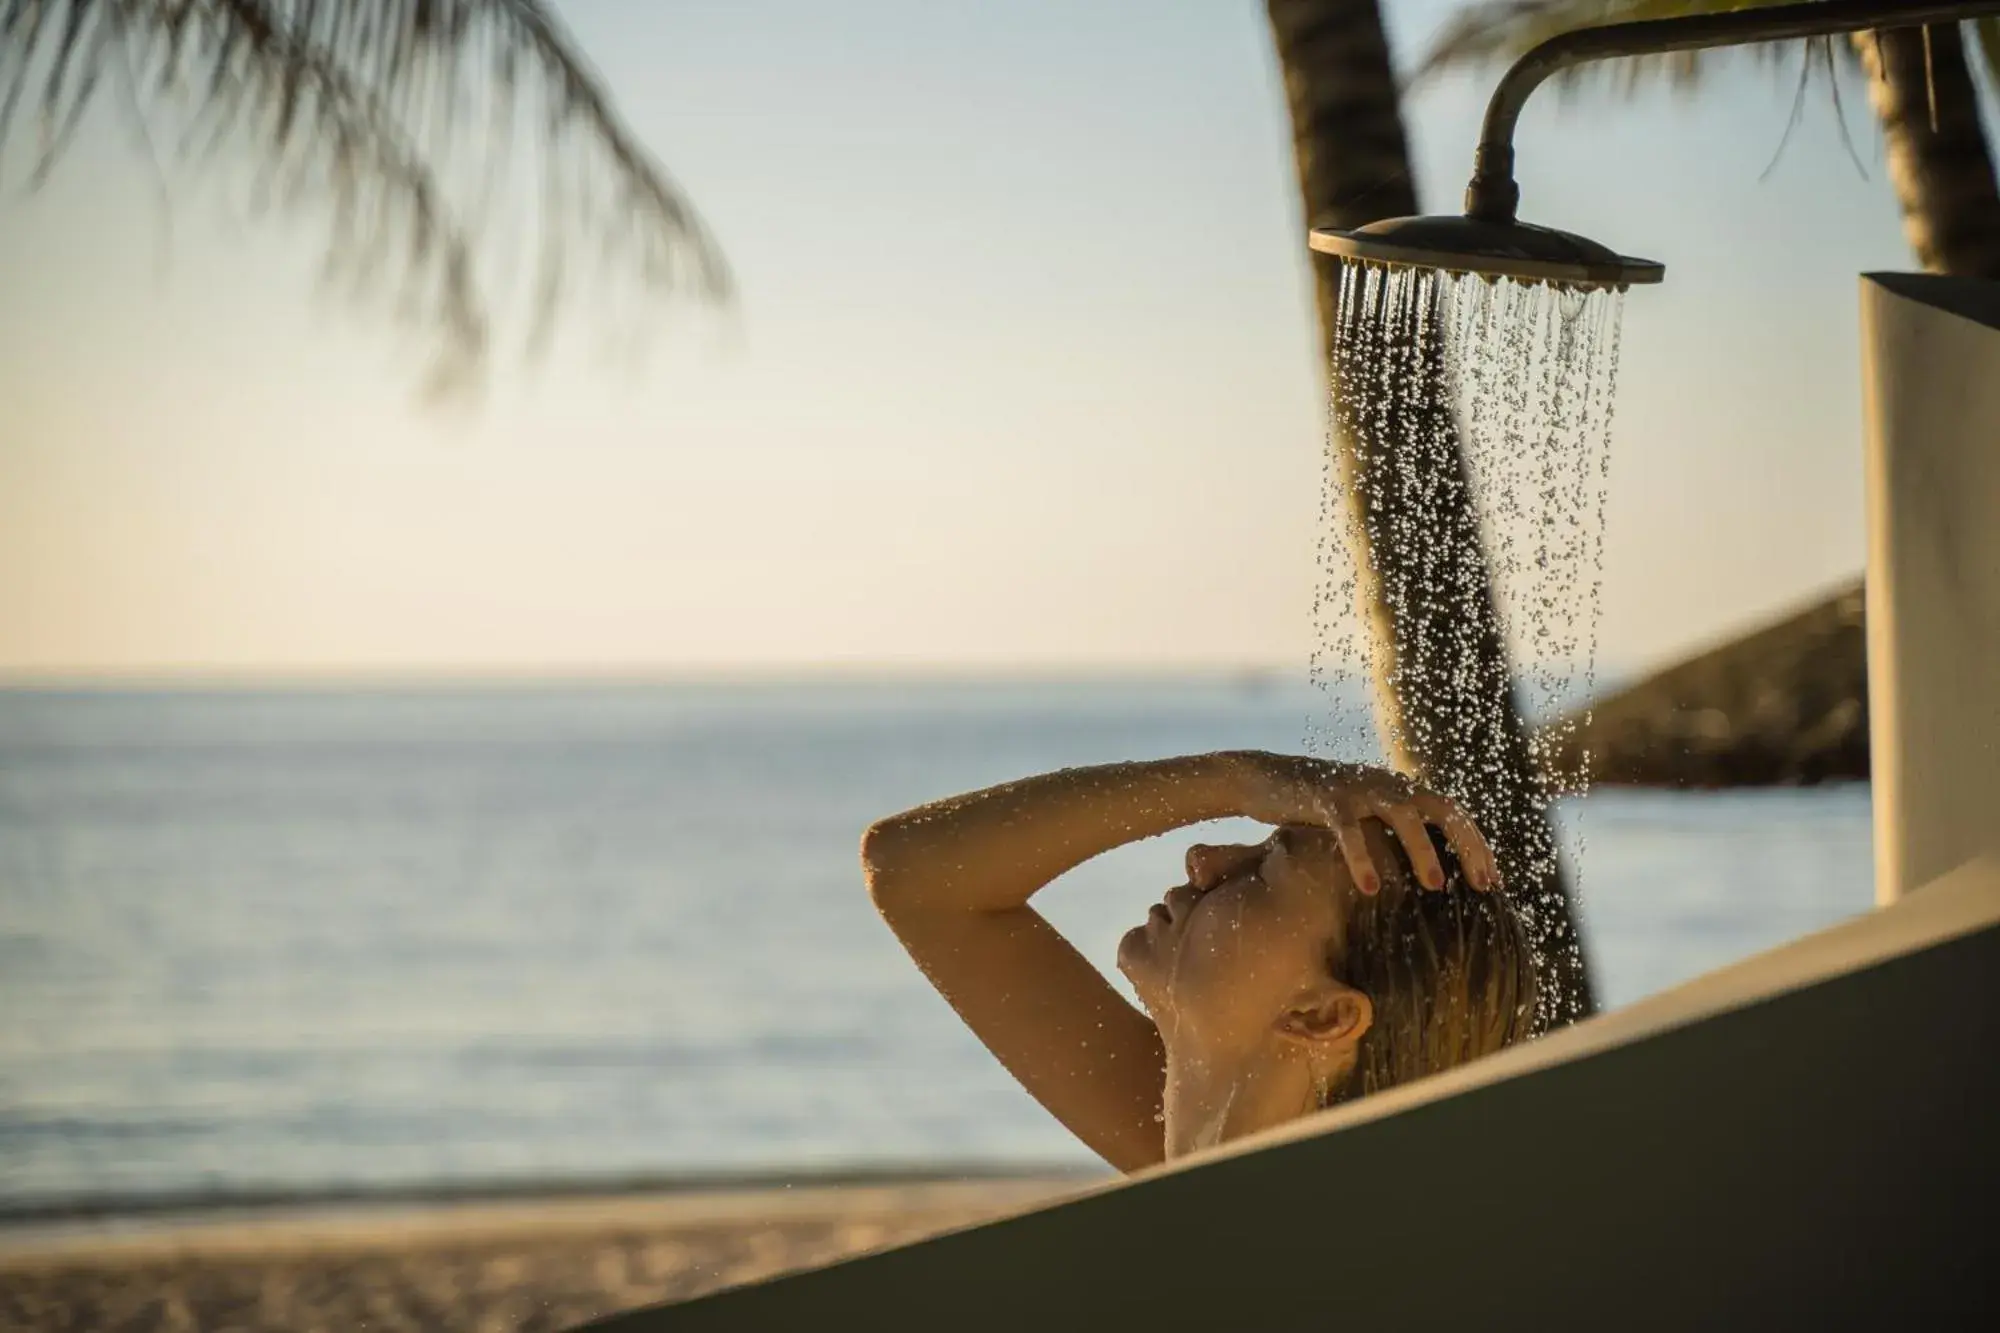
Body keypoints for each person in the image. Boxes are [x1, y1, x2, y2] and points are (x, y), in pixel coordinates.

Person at [861, 750, 1539, 1172]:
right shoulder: (1191, 1164)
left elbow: (914, 878)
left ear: (1320, 1014)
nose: (1206, 860)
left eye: (1268, 868)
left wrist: (1240, 780)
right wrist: (1236, 778)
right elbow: (910, 873)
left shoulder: (1295, 1265)